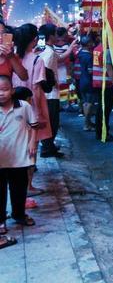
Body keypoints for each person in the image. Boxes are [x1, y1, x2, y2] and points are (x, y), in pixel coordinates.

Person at [13, 24, 53, 207]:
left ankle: (19, 186)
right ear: (35, 40)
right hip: (31, 108)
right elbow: (36, 89)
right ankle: (28, 185)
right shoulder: (37, 60)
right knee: (31, 150)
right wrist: (39, 116)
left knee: (18, 148)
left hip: (13, 108)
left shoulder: (12, 58)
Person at [0, 75, 38, 246]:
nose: (1, 93)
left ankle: (19, 214)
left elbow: (34, 126)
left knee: (19, 188)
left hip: (19, 157)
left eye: (5, 89)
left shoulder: (24, 107)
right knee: (0, 192)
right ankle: (1, 222)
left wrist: (32, 143)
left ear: (12, 90)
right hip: (1, 157)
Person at [39, 24, 77, 158]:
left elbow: (59, 59)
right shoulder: (48, 52)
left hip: (48, 94)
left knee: (51, 122)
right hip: (50, 94)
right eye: (56, 34)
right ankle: (47, 149)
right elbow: (46, 72)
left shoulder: (46, 49)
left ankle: (49, 147)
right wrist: (54, 83)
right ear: (50, 36)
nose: (58, 36)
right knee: (52, 123)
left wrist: (71, 48)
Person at [92, 41, 113, 141]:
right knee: (105, 110)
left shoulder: (97, 48)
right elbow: (109, 68)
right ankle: (104, 133)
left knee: (100, 109)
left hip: (97, 82)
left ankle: (100, 132)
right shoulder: (106, 51)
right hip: (105, 84)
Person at [77, 36, 96, 132]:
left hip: (82, 80)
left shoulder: (80, 54)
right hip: (88, 81)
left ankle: (88, 122)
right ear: (88, 44)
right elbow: (90, 71)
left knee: (85, 102)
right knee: (89, 103)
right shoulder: (89, 56)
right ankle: (86, 123)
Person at [53, 27, 72, 110]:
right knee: (65, 88)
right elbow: (68, 61)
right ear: (64, 34)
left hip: (55, 69)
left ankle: (59, 105)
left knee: (56, 88)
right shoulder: (67, 46)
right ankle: (65, 105)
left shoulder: (52, 45)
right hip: (64, 70)